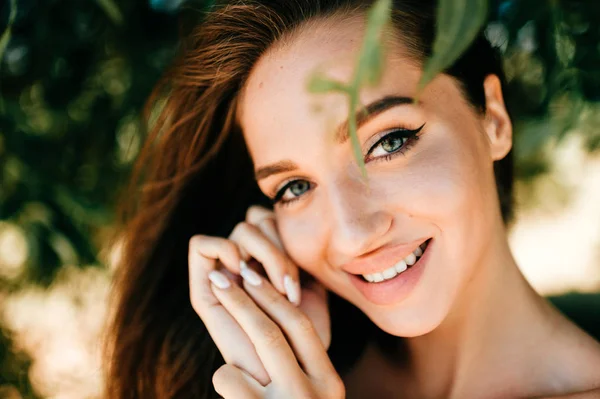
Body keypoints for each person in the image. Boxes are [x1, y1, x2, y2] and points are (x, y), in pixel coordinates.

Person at [103, 0, 600, 398]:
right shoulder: (251, 387)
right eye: (294, 188)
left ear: (493, 118)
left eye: (388, 142)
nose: (352, 233)